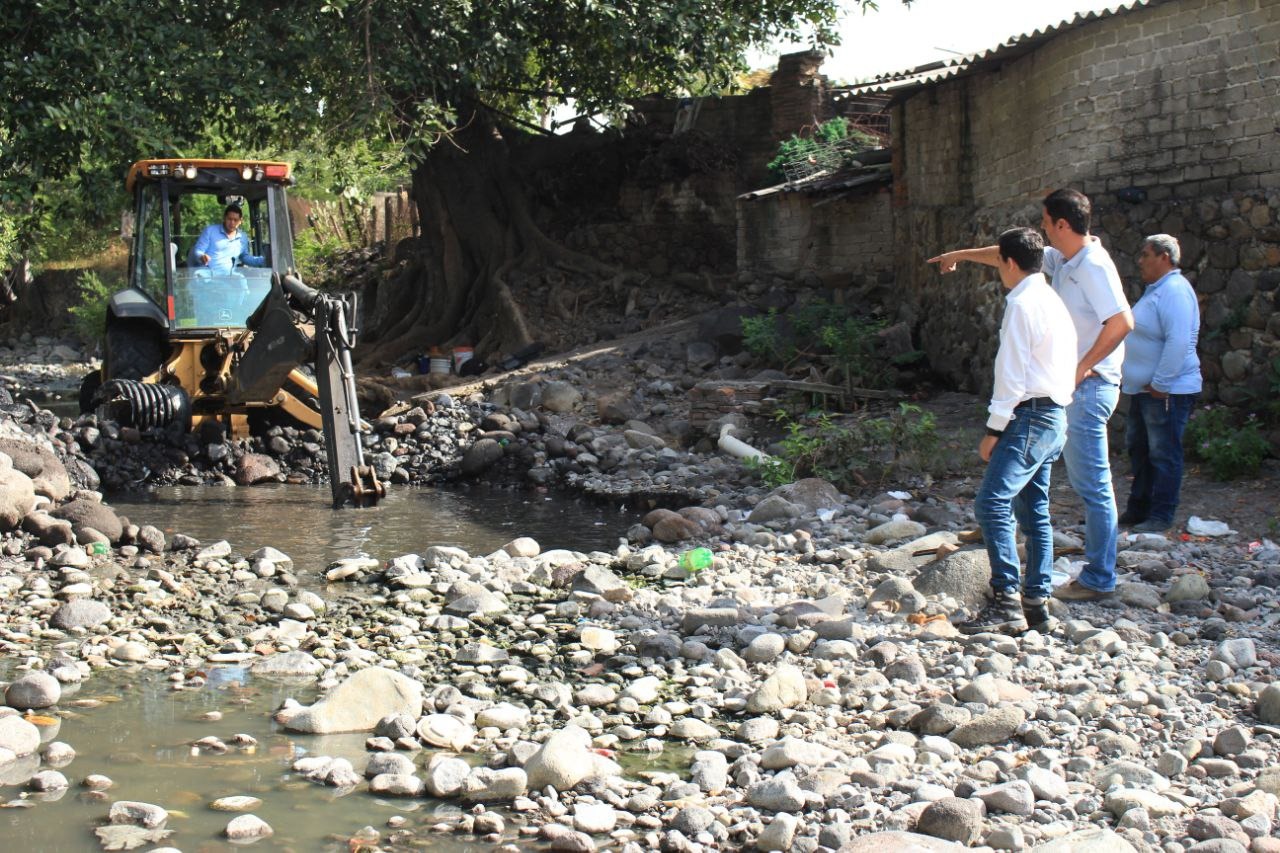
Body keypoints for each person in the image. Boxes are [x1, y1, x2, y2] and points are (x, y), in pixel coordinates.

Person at [929, 189, 1133, 603]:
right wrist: (960, 255)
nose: (1041, 227)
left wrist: (1080, 368)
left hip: (1085, 387)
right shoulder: (1061, 260)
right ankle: (1035, 593)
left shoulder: (1092, 265)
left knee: (1091, 486)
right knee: (1036, 498)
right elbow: (1012, 254)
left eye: (1045, 220)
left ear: (1062, 224)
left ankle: (1096, 577)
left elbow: (1122, 322)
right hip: (1060, 391)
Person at [944, 227, 1076, 634]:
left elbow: (1011, 375)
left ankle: (1005, 601)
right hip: (1054, 415)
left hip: (1029, 417)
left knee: (992, 504)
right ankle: (1036, 603)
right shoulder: (1052, 299)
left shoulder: (1021, 303)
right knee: (1034, 511)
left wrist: (994, 428)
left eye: (999, 261)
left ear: (1009, 262)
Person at [1120, 234, 1201, 533]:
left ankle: (1161, 515)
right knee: (1140, 450)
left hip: (1166, 391)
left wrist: (1161, 384)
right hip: (1146, 390)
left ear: (1164, 257)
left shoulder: (1175, 291)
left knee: (1163, 453)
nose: (1140, 261)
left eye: (1146, 254)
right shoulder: (1157, 290)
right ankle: (1139, 509)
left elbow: (1179, 341)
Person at [190, 204, 264, 274]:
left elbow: (244, 257)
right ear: (224, 218)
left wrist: (263, 260)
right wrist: (202, 256)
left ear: (240, 221)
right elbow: (198, 250)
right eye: (229, 219)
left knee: (242, 280)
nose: (232, 223)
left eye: (235, 220)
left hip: (230, 277)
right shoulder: (210, 231)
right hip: (208, 275)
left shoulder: (243, 236)